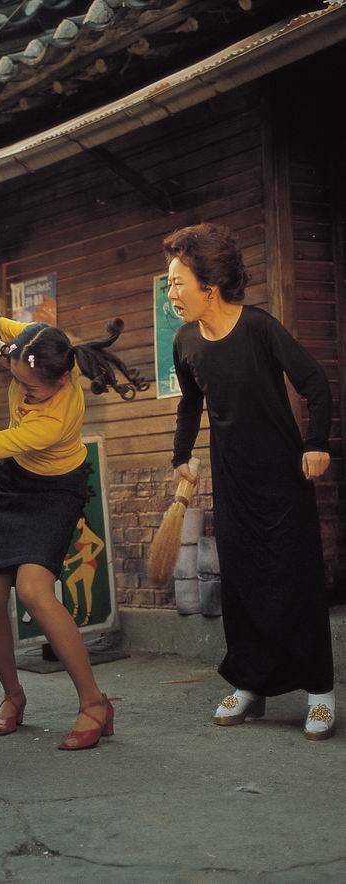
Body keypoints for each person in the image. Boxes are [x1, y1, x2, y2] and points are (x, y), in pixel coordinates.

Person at [0, 265, 148, 750]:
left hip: (56, 490)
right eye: (18, 382)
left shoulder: (53, 420)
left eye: (33, 390)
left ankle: (94, 702)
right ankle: (13, 696)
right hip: (14, 482)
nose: (26, 394)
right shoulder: (33, 345)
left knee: (35, 592)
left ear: (61, 382)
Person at [165, 222, 335, 740]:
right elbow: (191, 403)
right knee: (241, 581)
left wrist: (316, 444)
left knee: (296, 579)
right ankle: (249, 684)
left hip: (283, 477)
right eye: (169, 284)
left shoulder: (259, 328)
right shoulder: (186, 340)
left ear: (208, 287)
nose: (171, 293)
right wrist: (180, 457)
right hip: (232, 478)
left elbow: (315, 382)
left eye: (177, 283)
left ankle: (320, 692)